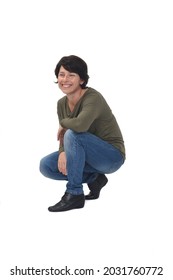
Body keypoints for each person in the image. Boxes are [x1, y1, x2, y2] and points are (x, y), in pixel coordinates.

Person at [39, 55, 125, 212]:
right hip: (85, 155)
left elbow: (79, 126)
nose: (65, 79)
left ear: (82, 80)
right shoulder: (61, 104)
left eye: (71, 75)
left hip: (111, 156)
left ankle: (74, 193)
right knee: (47, 166)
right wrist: (63, 151)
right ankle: (95, 178)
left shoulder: (93, 97)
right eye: (62, 74)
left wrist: (63, 123)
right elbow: (64, 135)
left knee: (73, 134)